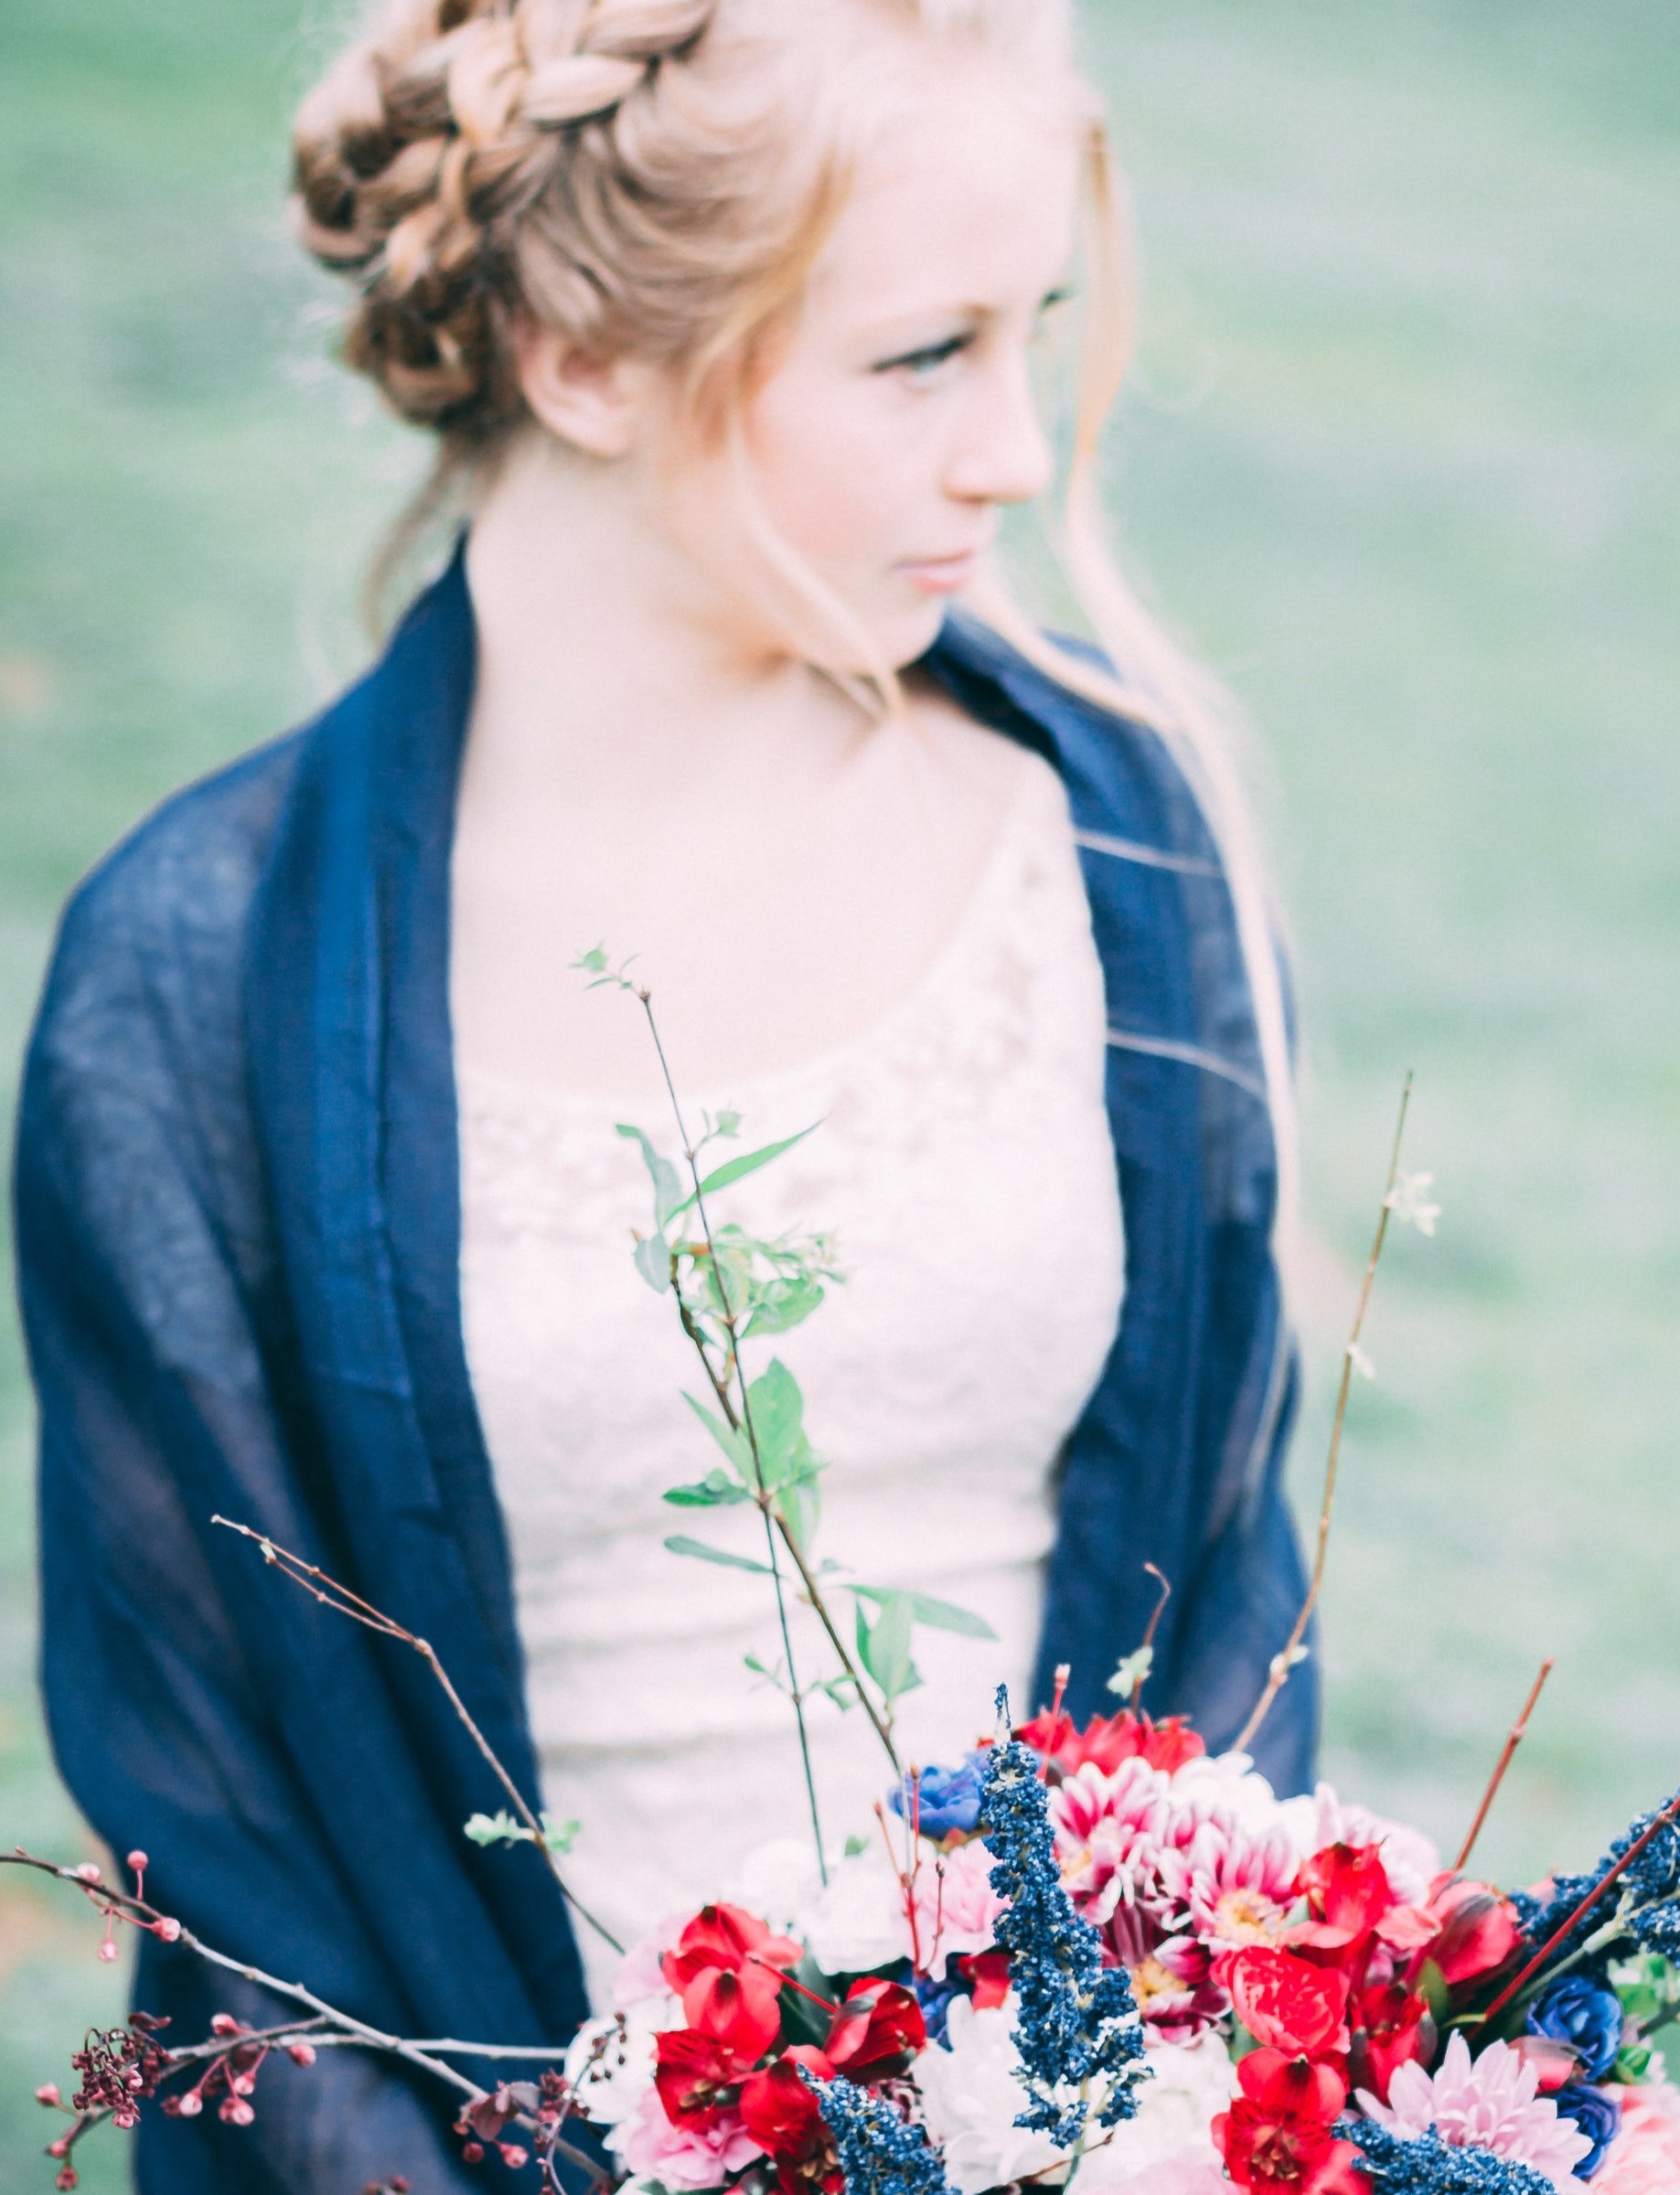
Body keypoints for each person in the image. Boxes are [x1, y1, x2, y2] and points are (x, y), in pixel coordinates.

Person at [15, 0, 1313, 2186]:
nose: (1011, 450)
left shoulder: (1118, 852)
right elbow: (222, 1841)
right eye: (923, 356)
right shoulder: (187, 988)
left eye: (1036, 340)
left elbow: (1232, 1605)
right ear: (586, 354)